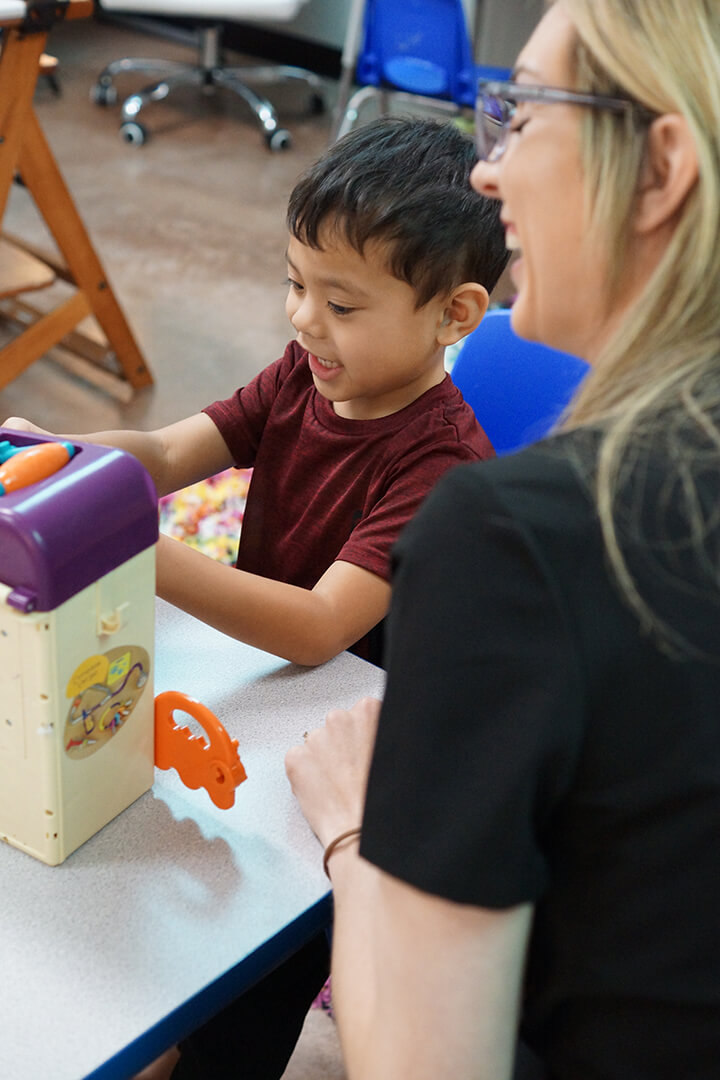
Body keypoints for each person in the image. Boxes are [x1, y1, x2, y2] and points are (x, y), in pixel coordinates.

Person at [285, 2, 720, 1078]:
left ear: (661, 168)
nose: (486, 172)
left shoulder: (515, 541)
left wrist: (355, 836)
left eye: (520, 115)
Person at [3, 116, 507, 671]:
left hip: (361, 704)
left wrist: (130, 538)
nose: (303, 318)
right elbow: (167, 454)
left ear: (452, 314)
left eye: (341, 306)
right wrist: (64, 460)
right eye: (296, 284)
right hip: (266, 666)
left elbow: (320, 627)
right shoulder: (301, 373)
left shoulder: (442, 467)